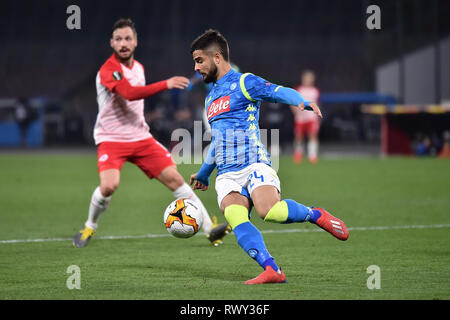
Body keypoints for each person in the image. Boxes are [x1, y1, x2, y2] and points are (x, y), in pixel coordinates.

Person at [189, 29, 349, 284]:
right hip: (226, 174)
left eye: (199, 60)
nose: (196, 67)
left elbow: (276, 90)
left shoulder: (244, 82)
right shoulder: (210, 99)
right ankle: (272, 269)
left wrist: (301, 101)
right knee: (236, 216)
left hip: (254, 162)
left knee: (270, 211)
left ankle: (314, 214)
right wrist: (205, 174)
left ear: (217, 57)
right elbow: (218, 142)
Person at [73, 19, 230, 248]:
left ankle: (209, 229)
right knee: (108, 186)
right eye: (119, 39)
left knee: (175, 179)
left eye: (128, 38)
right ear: (112, 43)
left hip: (140, 137)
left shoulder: (138, 68)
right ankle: (89, 226)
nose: (123, 43)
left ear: (135, 42)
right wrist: (165, 84)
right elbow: (129, 93)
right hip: (111, 139)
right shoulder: (109, 70)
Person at [290, 70, 321, 164]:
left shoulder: (315, 91)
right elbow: (291, 102)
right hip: (300, 118)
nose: (307, 79)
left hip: (311, 118)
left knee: (313, 135)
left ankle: (312, 156)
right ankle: (298, 154)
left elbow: (318, 104)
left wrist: (318, 116)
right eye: (306, 77)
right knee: (299, 137)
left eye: (309, 78)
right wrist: (295, 111)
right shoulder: (298, 89)